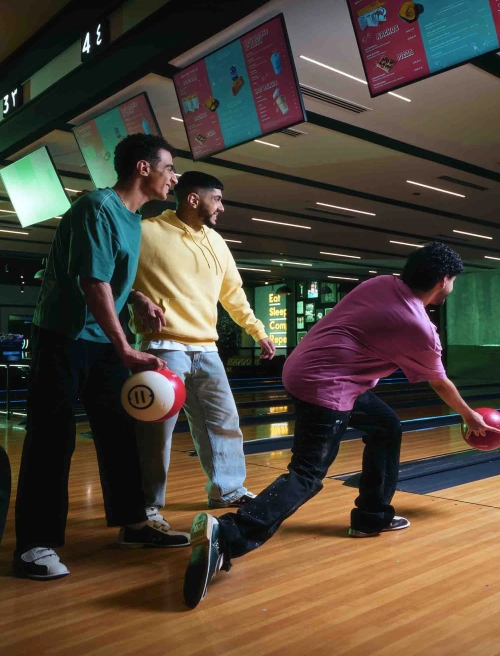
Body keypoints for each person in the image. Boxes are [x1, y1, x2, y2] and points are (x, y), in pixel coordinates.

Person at [182, 241, 500, 607]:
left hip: (306, 369)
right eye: (454, 281)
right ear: (444, 280)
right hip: (327, 385)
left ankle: (372, 517)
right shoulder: (418, 327)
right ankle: (230, 535)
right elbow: (439, 381)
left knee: (386, 427)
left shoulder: (380, 284)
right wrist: (469, 415)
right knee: (307, 473)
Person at [14, 133, 190, 581]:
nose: (175, 177)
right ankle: (35, 544)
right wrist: (126, 347)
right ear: (143, 169)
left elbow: (111, 275)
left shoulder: (131, 217)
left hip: (102, 341)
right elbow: (93, 283)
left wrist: (140, 298)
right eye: (170, 168)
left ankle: (133, 524)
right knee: (52, 439)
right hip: (64, 337)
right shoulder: (97, 206)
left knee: (120, 433)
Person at [129, 171, 276, 526]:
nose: (222, 208)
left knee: (223, 421)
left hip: (206, 348)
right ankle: (146, 505)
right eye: (218, 199)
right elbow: (114, 275)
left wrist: (257, 330)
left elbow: (232, 294)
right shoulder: (145, 231)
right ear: (194, 199)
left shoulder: (216, 241)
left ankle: (226, 489)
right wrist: (136, 298)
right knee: (156, 432)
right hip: (162, 346)